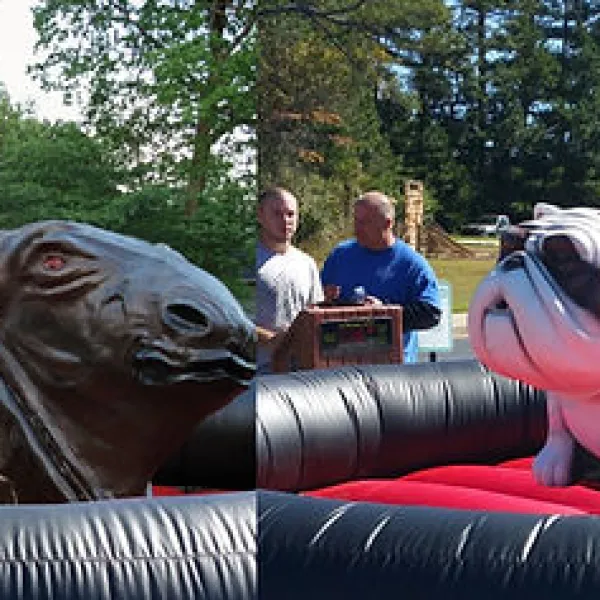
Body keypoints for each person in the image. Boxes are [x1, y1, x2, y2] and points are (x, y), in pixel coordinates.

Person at [321, 191, 441, 363]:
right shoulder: (340, 256)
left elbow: (430, 314)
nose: (357, 228)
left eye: (365, 222)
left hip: (391, 370)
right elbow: (318, 300)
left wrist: (385, 314)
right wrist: (326, 300)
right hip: (343, 365)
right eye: (356, 221)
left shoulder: (411, 263)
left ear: (387, 223)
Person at [255, 187, 324, 374]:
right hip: (258, 372)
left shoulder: (307, 263)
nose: (285, 221)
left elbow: (314, 313)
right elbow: (230, 320)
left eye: (291, 214)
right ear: (260, 216)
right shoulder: (245, 262)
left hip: (299, 371)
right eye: (277, 214)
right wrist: (270, 339)